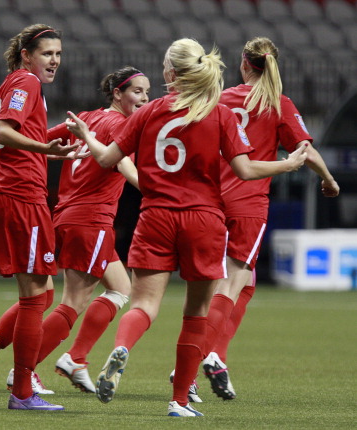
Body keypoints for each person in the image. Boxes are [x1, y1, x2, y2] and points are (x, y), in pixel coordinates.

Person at [65, 38, 308, 417]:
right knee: (195, 313)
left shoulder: (147, 113)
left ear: (168, 73)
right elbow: (244, 170)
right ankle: (178, 402)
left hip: (155, 216)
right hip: (203, 219)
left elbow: (109, 158)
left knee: (144, 303)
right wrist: (287, 165)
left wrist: (87, 136)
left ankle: (122, 347)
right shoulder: (218, 113)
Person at [199, 37, 340, 400]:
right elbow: (304, 151)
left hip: (211, 200)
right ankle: (201, 357)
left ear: (243, 64)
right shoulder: (277, 103)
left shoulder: (221, 98)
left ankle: (217, 358)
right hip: (248, 202)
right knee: (230, 285)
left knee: (242, 283)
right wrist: (328, 180)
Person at [0, 24, 82, 411]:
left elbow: (23, 134)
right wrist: (45, 146)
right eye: (48, 53)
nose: (55, 61)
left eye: (58, 54)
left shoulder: (24, 84)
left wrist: (54, 140)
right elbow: (2, 132)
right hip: (19, 197)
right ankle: (23, 393)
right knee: (34, 298)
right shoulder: (25, 82)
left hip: (17, 194)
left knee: (42, 293)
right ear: (28, 54)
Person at [16, 66, 150, 394]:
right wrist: (156, 187)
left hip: (67, 215)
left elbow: (38, 139)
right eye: (137, 92)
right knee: (73, 301)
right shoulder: (122, 126)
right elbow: (123, 165)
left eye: (148, 92)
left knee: (120, 288)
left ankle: (76, 359)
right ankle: (25, 372)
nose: (145, 99)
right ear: (117, 93)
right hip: (91, 221)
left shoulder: (87, 117)